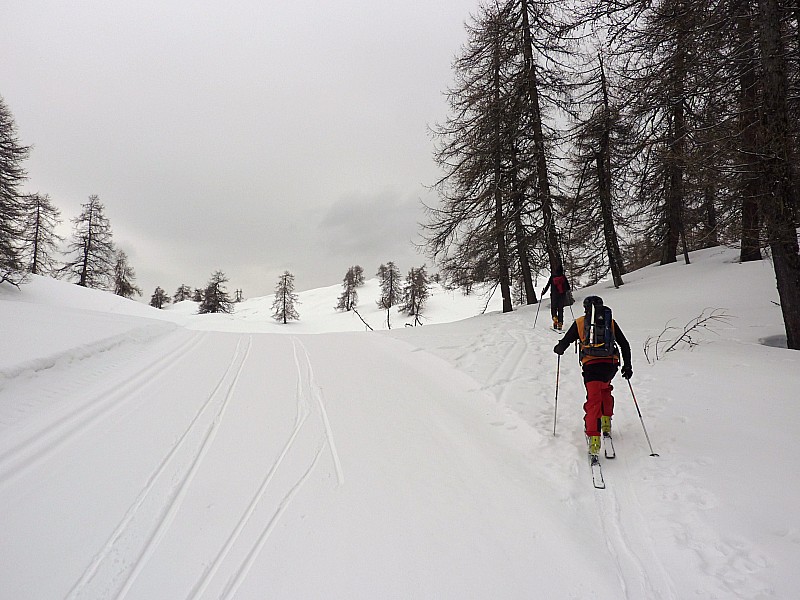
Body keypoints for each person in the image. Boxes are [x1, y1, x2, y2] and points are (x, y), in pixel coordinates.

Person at [553, 295, 633, 457]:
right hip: (610, 365)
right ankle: (606, 422)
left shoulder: (580, 323)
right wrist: (628, 366)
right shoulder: (610, 322)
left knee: (593, 400)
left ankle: (594, 438)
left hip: (591, 366)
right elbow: (624, 344)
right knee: (605, 390)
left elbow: (564, 343)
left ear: (585, 308)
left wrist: (559, 348)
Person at [541, 265, 570, 330]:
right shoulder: (563, 277)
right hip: (562, 295)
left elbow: (548, 285)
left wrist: (543, 292)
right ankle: (560, 323)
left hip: (554, 295)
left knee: (553, 308)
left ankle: (555, 318)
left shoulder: (552, 277)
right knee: (560, 309)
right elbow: (568, 287)